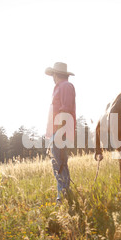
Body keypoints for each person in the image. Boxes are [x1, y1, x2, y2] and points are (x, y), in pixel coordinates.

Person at [45, 62, 76, 204]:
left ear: (56, 75)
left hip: (60, 131)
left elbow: (66, 109)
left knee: (59, 164)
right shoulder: (59, 87)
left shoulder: (65, 86)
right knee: (58, 163)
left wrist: (59, 133)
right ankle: (63, 194)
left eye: (53, 75)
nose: (52, 77)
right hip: (57, 131)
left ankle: (63, 196)